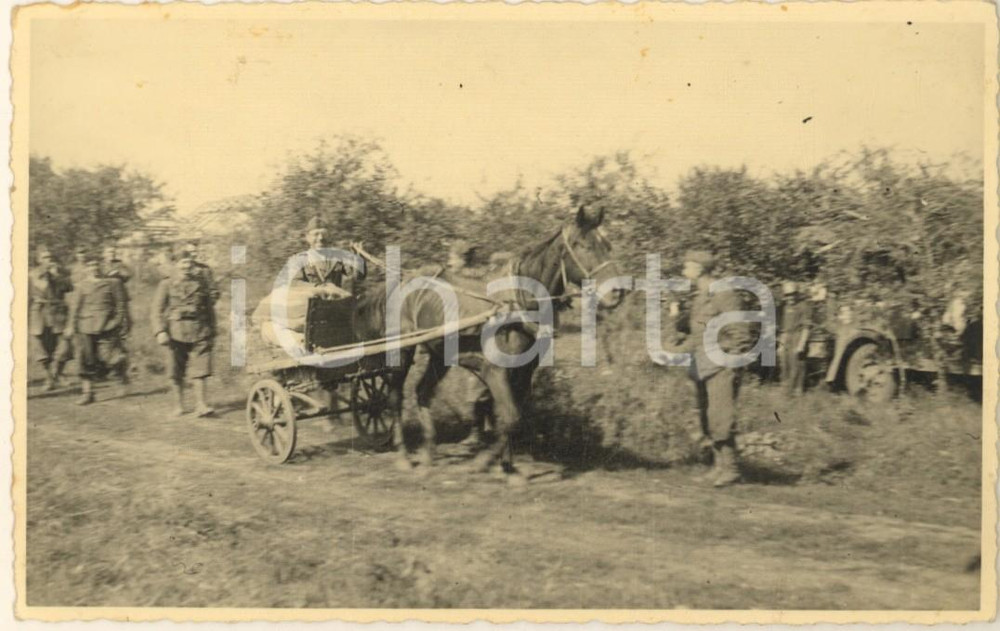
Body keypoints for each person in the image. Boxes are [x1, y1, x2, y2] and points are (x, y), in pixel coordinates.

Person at [677, 250, 752, 488]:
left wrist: (731, 360)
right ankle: (718, 467)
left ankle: (730, 469)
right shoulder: (700, 296)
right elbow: (697, 332)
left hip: (721, 364)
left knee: (721, 416)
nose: (683, 271)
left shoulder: (723, 293)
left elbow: (740, 330)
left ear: (699, 268)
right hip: (702, 364)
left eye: (686, 266)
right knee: (708, 417)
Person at [152, 254, 218, 417]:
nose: (186, 267)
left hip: (200, 329)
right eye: (183, 264)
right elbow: (155, 311)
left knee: (201, 368)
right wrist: (160, 331)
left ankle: (201, 404)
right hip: (176, 332)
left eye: (189, 264)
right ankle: (178, 405)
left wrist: (213, 330)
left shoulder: (201, 282)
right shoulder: (166, 284)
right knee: (175, 370)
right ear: (176, 265)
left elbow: (209, 308)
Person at [66, 251, 130, 405]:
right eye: (90, 265)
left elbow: (121, 305)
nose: (93, 268)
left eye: (96, 264)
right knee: (85, 359)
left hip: (108, 326)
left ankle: (120, 377)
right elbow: (75, 307)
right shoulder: (81, 285)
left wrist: (117, 322)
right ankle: (88, 393)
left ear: (102, 265)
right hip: (85, 326)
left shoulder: (113, 283)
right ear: (85, 268)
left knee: (112, 358)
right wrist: (70, 325)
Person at [29, 248, 74, 390]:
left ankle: (57, 374)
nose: (49, 259)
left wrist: (58, 276)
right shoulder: (32, 275)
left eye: (50, 257)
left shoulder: (58, 274)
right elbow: (30, 293)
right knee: (42, 348)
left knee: (64, 346)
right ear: (39, 260)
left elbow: (69, 288)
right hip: (39, 313)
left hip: (58, 314)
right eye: (45, 257)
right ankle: (49, 377)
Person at [779, 281, 812, 396]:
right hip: (787, 337)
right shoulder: (786, 307)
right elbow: (784, 328)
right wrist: (781, 345)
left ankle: (798, 392)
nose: (790, 297)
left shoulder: (803, 306)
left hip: (797, 337)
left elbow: (806, 327)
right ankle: (786, 390)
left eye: (792, 294)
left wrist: (801, 345)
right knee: (785, 364)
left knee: (797, 365)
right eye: (788, 295)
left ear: (797, 294)